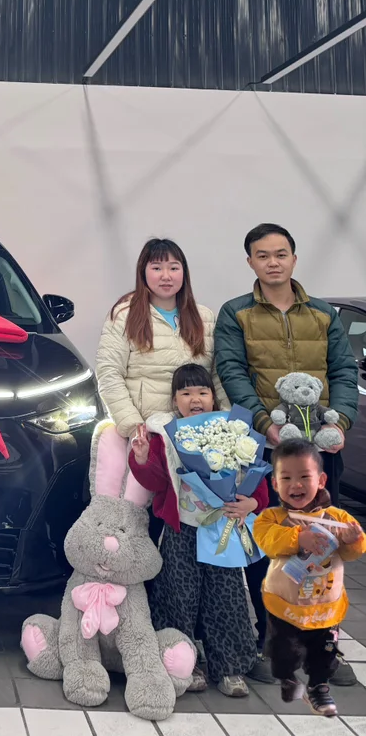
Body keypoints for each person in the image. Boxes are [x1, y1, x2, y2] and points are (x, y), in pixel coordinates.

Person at [214, 223, 359, 685]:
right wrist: (264, 424)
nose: (273, 262)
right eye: (263, 255)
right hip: (266, 449)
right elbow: (232, 371)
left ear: (294, 259)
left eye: (281, 254)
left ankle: (324, 646)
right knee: (269, 546)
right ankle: (270, 641)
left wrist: (341, 422)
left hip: (319, 450)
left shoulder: (322, 313)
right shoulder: (236, 312)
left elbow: (343, 369)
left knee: (324, 545)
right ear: (250, 262)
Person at [129, 363, 268, 697]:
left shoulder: (233, 431)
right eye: (186, 392)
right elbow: (157, 483)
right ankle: (181, 664)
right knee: (178, 597)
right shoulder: (166, 435)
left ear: (213, 397)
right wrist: (143, 458)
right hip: (181, 531)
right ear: (174, 400)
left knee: (227, 598)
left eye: (202, 392)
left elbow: (256, 476)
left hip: (223, 531)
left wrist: (252, 503)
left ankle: (230, 667)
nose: (195, 399)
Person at [253, 441, 366, 718]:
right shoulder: (271, 518)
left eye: (305, 476)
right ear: (275, 484)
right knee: (283, 653)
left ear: (321, 480)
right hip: (285, 605)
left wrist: (354, 540)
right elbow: (267, 542)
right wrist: (297, 538)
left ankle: (319, 686)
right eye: (286, 478)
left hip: (325, 605)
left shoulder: (337, 518)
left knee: (325, 652)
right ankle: (287, 678)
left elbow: (351, 553)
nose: (296, 484)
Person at [96, 238, 225, 444]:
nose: (166, 276)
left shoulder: (205, 317)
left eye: (173, 268)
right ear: (143, 272)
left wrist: (226, 419)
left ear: (184, 273)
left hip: (200, 429)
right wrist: (134, 427)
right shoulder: (124, 316)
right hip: (148, 432)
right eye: (156, 268)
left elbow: (217, 374)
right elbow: (109, 373)